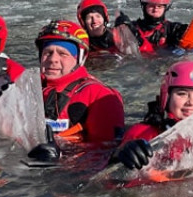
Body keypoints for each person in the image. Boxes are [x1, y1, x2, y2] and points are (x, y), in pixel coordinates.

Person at [27, 19, 126, 162]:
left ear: (79, 59)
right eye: (48, 52)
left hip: (68, 174)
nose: (53, 59)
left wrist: (61, 158)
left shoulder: (99, 96)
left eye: (63, 54)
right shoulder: (30, 88)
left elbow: (107, 158)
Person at [110, 60, 193, 169]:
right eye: (182, 94)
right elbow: (108, 177)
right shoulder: (143, 133)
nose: (192, 102)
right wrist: (122, 156)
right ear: (167, 98)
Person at [114, 0, 188, 54]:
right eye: (151, 5)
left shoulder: (173, 29)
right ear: (144, 6)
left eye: (159, 6)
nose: (155, 9)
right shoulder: (132, 27)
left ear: (165, 8)